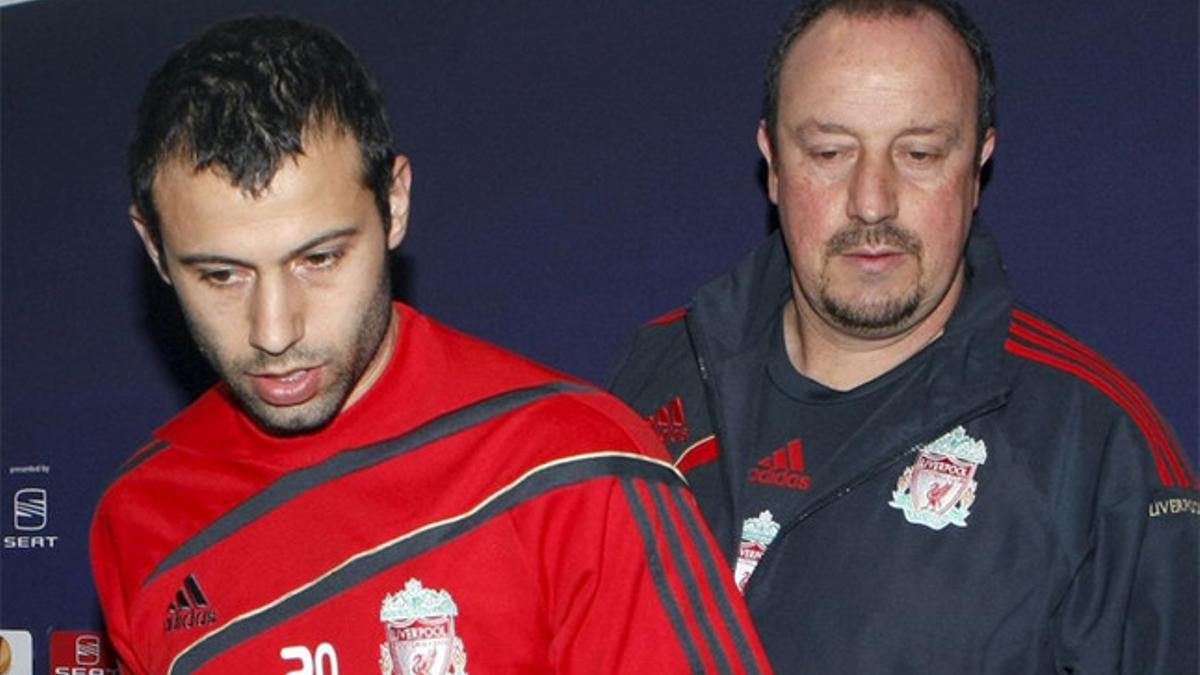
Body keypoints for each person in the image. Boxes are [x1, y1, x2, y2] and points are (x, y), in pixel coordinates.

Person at [90, 16, 771, 675]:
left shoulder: (574, 468)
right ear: (154, 247)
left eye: (319, 258)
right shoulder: (140, 518)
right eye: (221, 275)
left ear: (396, 203)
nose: (274, 330)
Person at [609, 0, 1200, 672]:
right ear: (772, 161)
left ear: (978, 165)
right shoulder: (655, 376)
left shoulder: (1095, 449)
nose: (871, 200)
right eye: (830, 151)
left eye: (918, 153)